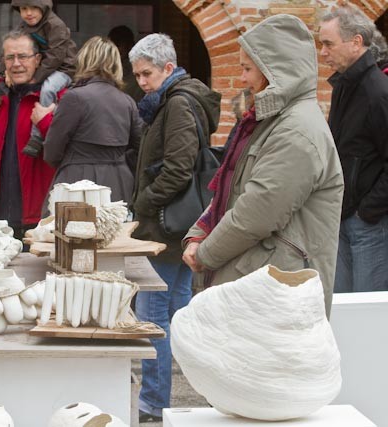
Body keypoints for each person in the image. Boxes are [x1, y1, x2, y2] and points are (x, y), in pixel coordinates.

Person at [183, 15, 343, 314]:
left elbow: (257, 212)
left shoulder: (296, 132)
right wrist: (199, 233)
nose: (242, 79)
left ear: (274, 72)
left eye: (247, 69)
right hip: (261, 284)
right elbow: (232, 191)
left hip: (277, 294)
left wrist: (206, 252)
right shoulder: (274, 122)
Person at [128, 33, 221, 422]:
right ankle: (191, 393)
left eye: (147, 74)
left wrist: (142, 205)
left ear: (168, 68)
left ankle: (154, 401)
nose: (141, 82)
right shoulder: (171, 101)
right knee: (177, 310)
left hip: (166, 226)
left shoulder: (178, 104)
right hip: (174, 224)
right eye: (137, 75)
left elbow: (178, 170)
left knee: (154, 313)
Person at [318, 6, 388, 293]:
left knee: (368, 316)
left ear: (356, 42)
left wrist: (367, 211)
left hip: (369, 225)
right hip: (343, 217)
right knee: (343, 311)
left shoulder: (378, 92)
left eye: (328, 44)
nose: (323, 53)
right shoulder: (344, 85)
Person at [0, 30, 56, 238]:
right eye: (10, 57)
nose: (16, 63)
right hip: (2, 210)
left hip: (40, 214)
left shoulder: (52, 97)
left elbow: (62, 145)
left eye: (23, 56)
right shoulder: (0, 98)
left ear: (38, 59)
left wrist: (44, 121)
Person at [0, 0, 77, 160]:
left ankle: (36, 136)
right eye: (24, 9)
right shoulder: (24, 26)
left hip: (63, 68)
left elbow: (56, 56)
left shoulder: (55, 25)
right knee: (1, 81)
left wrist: (35, 79)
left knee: (48, 89)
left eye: (33, 8)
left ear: (44, 8)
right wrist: (4, 73)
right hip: (42, 66)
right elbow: (9, 48)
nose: (28, 13)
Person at [41, 36, 142, 203]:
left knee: (71, 228)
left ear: (85, 60)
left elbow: (52, 150)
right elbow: (139, 146)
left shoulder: (74, 97)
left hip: (77, 183)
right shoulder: (127, 101)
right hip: (119, 183)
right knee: (116, 229)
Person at [107, 25, 144, 103]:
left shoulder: (137, 71)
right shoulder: (106, 68)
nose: (115, 49)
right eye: (111, 45)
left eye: (118, 45)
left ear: (130, 46)